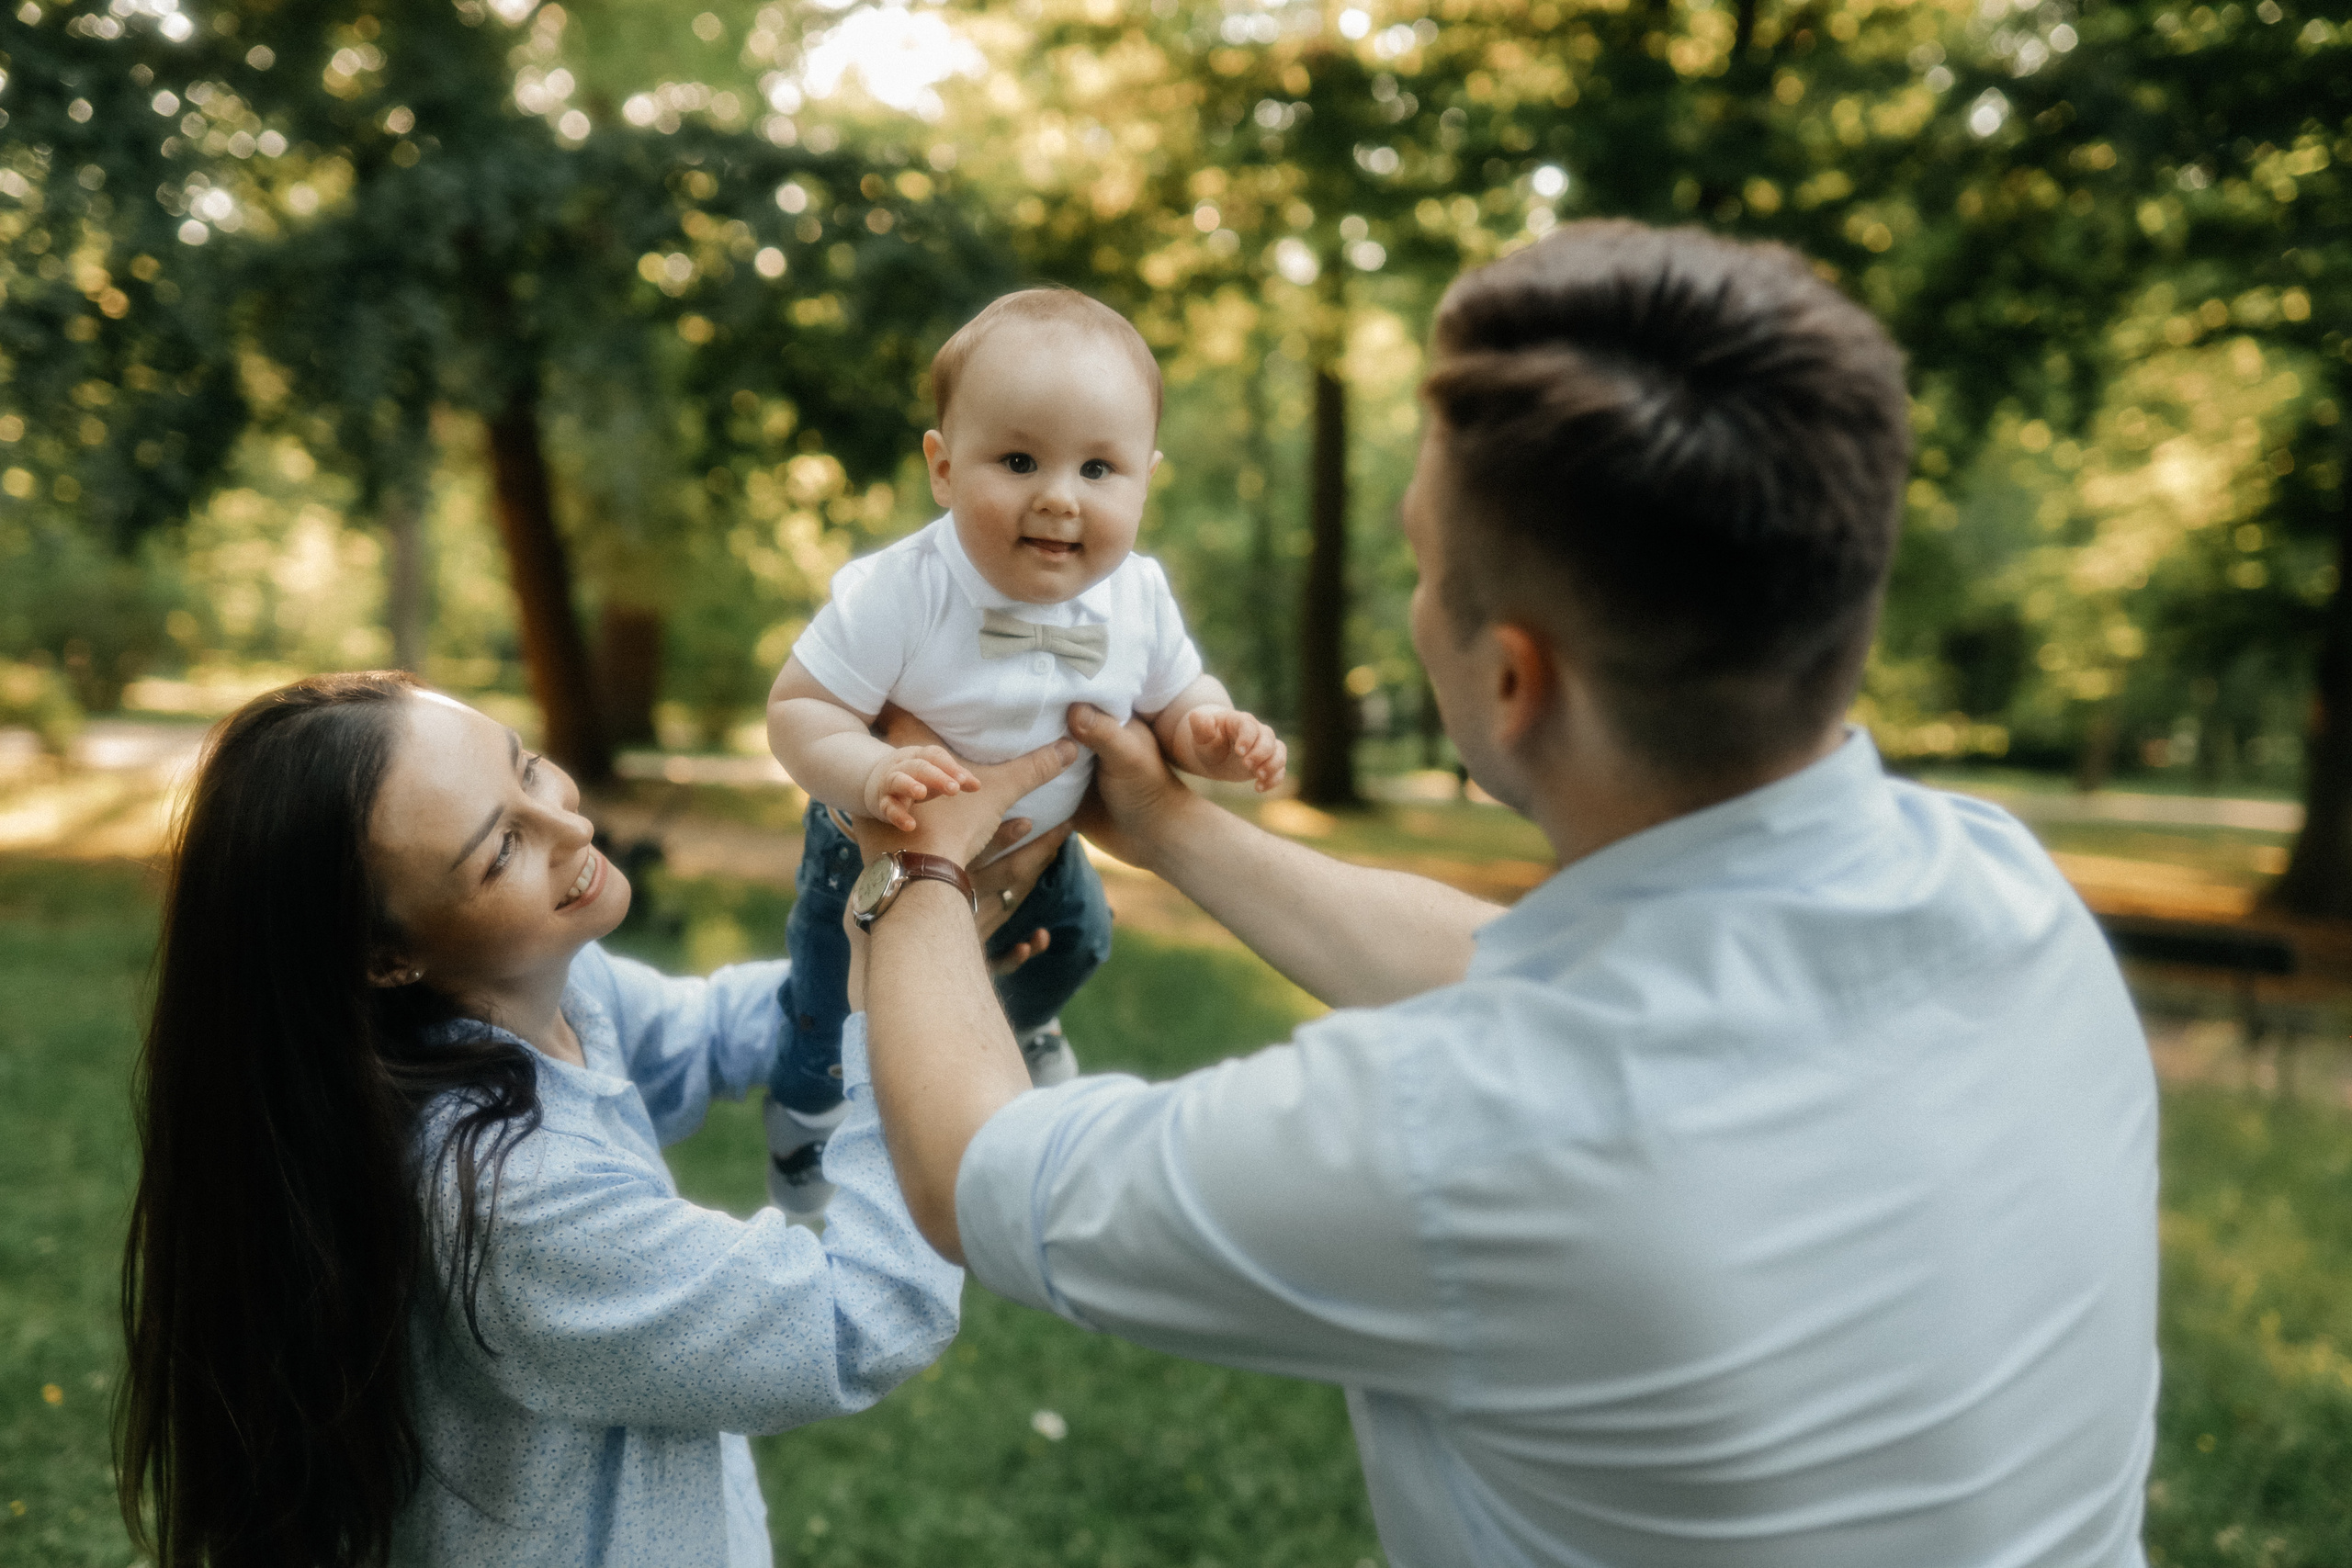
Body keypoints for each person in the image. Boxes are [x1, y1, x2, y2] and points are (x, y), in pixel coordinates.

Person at [842, 222, 2160, 1565]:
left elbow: (973, 1174)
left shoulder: (1457, 1133)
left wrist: (917, 859)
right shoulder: (2008, 886)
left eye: (1426, 567)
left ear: (1517, 680)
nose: (1418, 607)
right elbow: (1540, 975)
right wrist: (1171, 826)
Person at [114, 671, 1072, 1568]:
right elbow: (857, 1320)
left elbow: (708, 1034)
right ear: (383, 957)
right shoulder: (506, 1197)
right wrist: (904, 974)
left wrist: (929, 972)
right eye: (501, 849)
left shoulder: (536, 994)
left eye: (526, 764)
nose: (565, 825)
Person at [759, 286, 1285, 1220]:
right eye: (1017, 459)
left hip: (1040, 854)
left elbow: (1173, 702)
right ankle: (802, 1122)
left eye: (1097, 468)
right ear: (944, 466)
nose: (1057, 496)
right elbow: (799, 708)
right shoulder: (901, 592)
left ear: (1145, 480)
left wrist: (1209, 730)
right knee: (827, 1007)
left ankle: (1023, 1017)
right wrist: (872, 772)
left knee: (1076, 941)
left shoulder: (1136, 599)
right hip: (872, 852)